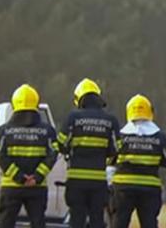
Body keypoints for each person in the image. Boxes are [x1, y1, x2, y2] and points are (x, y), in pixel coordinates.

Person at [57, 78, 120, 228]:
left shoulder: (73, 118)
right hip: (98, 181)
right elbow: (117, 149)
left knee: (76, 220)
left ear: (79, 99)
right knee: (97, 220)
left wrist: (70, 152)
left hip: (76, 180)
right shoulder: (110, 120)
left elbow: (60, 143)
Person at [0, 84, 59, 228]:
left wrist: (18, 177)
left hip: (11, 186)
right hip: (37, 187)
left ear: (14, 104)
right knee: (38, 223)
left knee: (5, 223)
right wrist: (36, 177)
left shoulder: (4, 131)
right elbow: (53, 154)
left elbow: (0, 156)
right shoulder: (48, 131)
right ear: (36, 104)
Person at [112, 94, 166, 228]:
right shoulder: (159, 136)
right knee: (149, 224)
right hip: (149, 189)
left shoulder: (121, 135)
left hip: (123, 188)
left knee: (119, 222)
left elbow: (109, 158)